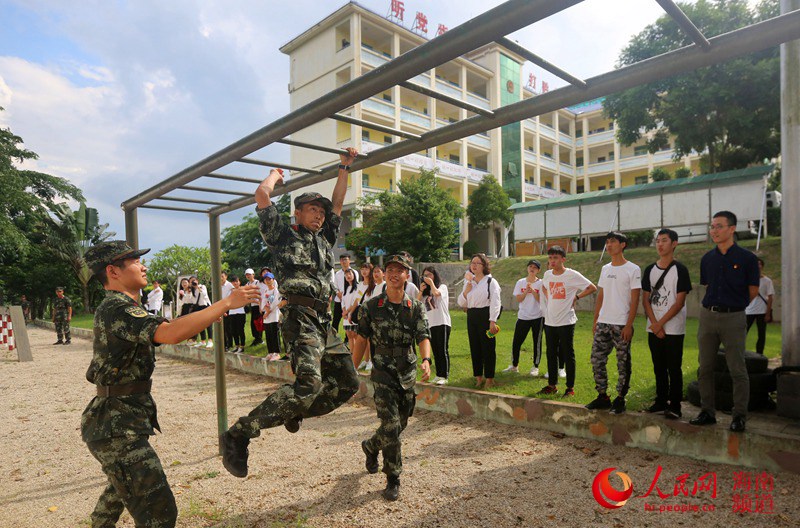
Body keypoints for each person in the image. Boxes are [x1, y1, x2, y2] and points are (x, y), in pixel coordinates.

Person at [81, 240, 259, 528]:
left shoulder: (123, 306)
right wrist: (226, 302)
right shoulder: (116, 306)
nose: (144, 265)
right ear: (113, 271)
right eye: (135, 261)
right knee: (159, 513)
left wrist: (216, 310)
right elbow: (170, 333)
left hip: (118, 422)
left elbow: (175, 327)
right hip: (116, 427)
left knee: (118, 492)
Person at [220, 149, 361, 478]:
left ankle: (295, 409)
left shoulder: (324, 239)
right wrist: (275, 174)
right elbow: (262, 195)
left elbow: (338, 203)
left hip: (324, 322)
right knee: (309, 383)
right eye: (313, 209)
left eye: (321, 212)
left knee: (347, 383)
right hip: (299, 317)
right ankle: (239, 433)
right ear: (297, 213)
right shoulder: (283, 235)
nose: (320, 215)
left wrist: (344, 167)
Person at [352, 254, 432, 501]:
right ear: (384, 275)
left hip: (407, 372)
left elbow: (423, 336)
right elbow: (361, 339)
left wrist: (427, 360)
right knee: (391, 425)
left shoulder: (415, 307)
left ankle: (371, 445)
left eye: (400, 270)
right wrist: (352, 371)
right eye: (390, 270)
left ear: (408, 275)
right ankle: (393, 477)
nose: (394, 274)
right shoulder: (371, 307)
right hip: (383, 372)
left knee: (401, 423)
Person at [690, 211, 759, 432]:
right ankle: (707, 411)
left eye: (719, 226)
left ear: (731, 229)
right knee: (705, 368)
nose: (714, 231)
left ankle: (739, 416)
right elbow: (708, 286)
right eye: (712, 226)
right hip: (708, 316)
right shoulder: (707, 259)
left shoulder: (747, 259)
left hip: (734, 317)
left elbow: (753, 291)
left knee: (737, 369)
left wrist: (734, 307)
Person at [586, 232, 641, 414]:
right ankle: (603, 396)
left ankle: (620, 398)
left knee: (622, 362)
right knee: (596, 359)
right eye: (607, 242)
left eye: (613, 242)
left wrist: (629, 324)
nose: (609, 245)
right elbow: (601, 295)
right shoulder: (605, 268)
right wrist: (596, 319)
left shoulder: (633, 269)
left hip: (621, 324)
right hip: (603, 322)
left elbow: (635, 300)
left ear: (623, 244)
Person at [641, 229, 692, 419]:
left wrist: (660, 324)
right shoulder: (649, 270)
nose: (660, 244)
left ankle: (675, 404)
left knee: (674, 367)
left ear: (674, 243)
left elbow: (679, 302)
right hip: (654, 327)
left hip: (674, 328)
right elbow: (645, 300)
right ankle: (661, 400)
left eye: (664, 240)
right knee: (658, 366)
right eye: (657, 241)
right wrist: (655, 324)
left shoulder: (681, 270)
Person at [540, 246, 596, 397]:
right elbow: (544, 288)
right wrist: (549, 298)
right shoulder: (547, 274)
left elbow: (592, 287)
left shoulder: (572, 275)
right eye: (550, 258)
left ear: (563, 259)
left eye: (555, 258)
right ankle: (552, 385)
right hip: (550, 321)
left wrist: (576, 297)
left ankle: (570, 387)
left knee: (567, 354)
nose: (552, 261)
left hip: (566, 321)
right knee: (551, 353)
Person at [457, 253, 501, 389]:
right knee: (474, 347)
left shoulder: (490, 281)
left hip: (485, 315)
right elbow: (460, 302)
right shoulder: (469, 282)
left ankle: (489, 378)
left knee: (487, 347)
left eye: (477, 263)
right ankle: (478, 377)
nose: (474, 265)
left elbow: (495, 302)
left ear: (484, 266)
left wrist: (492, 320)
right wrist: (466, 291)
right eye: (472, 263)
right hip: (472, 315)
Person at [504, 260, 544, 376]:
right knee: (516, 342)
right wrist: (526, 291)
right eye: (530, 266)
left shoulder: (541, 283)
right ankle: (514, 366)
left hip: (538, 317)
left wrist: (533, 291)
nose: (532, 269)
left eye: (535, 268)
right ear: (527, 268)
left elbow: (541, 300)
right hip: (523, 316)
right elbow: (519, 299)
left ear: (538, 270)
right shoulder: (520, 282)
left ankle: (535, 367)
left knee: (537, 342)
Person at [418, 266, 451, 385]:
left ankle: (444, 375)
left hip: (442, 322)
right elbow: (416, 303)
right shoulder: (425, 294)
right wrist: (421, 291)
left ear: (434, 276)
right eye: (425, 275)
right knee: (436, 350)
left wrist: (431, 283)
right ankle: (438, 375)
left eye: (429, 275)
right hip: (431, 324)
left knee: (442, 349)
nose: (427, 277)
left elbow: (437, 294)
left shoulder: (442, 287)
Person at [745, 257, 774, 355]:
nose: (758, 266)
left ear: (762, 266)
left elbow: (770, 297)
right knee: (743, 333)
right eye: (756, 264)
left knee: (761, 334)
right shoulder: (748, 280)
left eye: (760, 264)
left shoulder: (767, 281)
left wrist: (768, 313)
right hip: (749, 310)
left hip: (762, 311)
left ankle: (759, 354)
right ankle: (739, 353)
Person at [333, 253, 359, 334]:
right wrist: (338, 293)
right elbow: (334, 285)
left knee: (349, 319)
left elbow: (355, 285)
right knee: (336, 319)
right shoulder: (337, 274)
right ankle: (334, 337)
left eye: (345, 259)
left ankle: (347, 340)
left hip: (350, 300)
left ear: (349, 261)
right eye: (342, 260)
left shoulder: (354, 272)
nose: (343, 262)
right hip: (339, 299)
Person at [261, 272, 282, 360]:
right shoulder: (265, 291)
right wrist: (263, 310)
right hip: (266, 316)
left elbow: (275, 303)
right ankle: (270, 352)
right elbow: (263, 302)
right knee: (268, 334)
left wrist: (267, 312)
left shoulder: (275, 291)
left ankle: (276, 353)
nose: (268, 281)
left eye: (270, 279)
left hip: (273, 316)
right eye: (266, 279)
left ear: (273, 280)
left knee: (274, 334)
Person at [341, 269, 361, 349]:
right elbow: (343, 301)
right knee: (349, 335)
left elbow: (356, 302)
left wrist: (347, 312)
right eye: (346, 275)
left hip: (353, 313)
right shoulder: (345, 289)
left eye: (350, 274)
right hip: (346, 315)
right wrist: (344, 311)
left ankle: (357, 355)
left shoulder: (359, 287)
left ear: (354, 275)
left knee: (355, 335)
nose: (348, 276)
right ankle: (352, 354)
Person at [227, 275, 247, 353]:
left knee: (240, 330)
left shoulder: (243, 290)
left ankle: (242, 346)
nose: (235, 283)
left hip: (241, 312)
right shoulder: (230, 291)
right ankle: (237, 345)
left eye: (236, 281)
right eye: (233, 282)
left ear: (239, 282)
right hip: (232, 312)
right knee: (233, 330)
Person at [245, 268, 263, 346]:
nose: (248, 276)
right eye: (247, 275)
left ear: (253, 275)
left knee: (258, 322)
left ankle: (259, 338)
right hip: (252, 305)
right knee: (253, 323)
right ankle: (256, 338)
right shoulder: (247, 284)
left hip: (259, 305)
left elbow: (261, 293)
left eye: (249, 274)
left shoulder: (257, 282)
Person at [221, 272, 235, 351]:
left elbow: (233, 295)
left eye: (222, 276)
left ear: (226, 277)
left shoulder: (230, 285)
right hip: (221, 307)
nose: (221, 278)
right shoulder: (217, 286)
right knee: (222, 328)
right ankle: (223, 345)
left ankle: (229, 344)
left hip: (228, 307)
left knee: (228, 327)